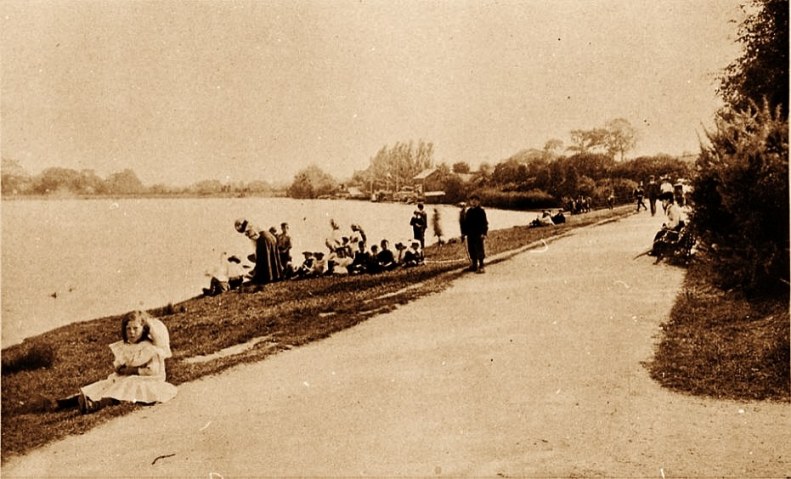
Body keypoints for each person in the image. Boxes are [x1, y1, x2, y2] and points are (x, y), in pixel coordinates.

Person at [76, 310, 177, 414]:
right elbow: (121, 362)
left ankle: (95, 405)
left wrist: (133, 370)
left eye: (135, 328)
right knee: (110, 382)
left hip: (149, 380)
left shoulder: (150, 348)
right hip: (129, 376)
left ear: (144, 329)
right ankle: (81, 398)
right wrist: (120, 367)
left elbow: (153, 371)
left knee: (126, 386)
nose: (131, 332)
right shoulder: (127, 347)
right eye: (128, 329)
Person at [234, 218, 283, 285]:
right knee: (271, 257)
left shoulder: (249, 227)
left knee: (263, 258)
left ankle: (265, 278)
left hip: (264, 239)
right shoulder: (252, 224)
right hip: (270, 237)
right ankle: (275, 276)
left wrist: (256, 252)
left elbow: (256, 237)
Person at [649, 191, 686, 258]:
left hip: (678, 229)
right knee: (660, 233)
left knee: (660, 234)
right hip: (676, 227)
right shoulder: (670, 208)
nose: (663, 203)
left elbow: (676, 222)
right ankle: (656, 249)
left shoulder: (673, 209)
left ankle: (656, 250)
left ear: (668, 200)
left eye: (663, 201)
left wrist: (668, 227)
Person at [462, 194, 488, 273]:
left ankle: (481, 265)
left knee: (479, 249)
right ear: (470, 202)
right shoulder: (469, 211)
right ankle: (474, 264)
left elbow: (485, 223)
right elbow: (466, 223)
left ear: (479, 202)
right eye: (472, 200)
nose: (473, 201)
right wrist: (464, 233)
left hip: (478, 234)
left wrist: (484, 233)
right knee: (471, 249)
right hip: (470, 233)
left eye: (476, 200)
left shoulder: (481, 211)